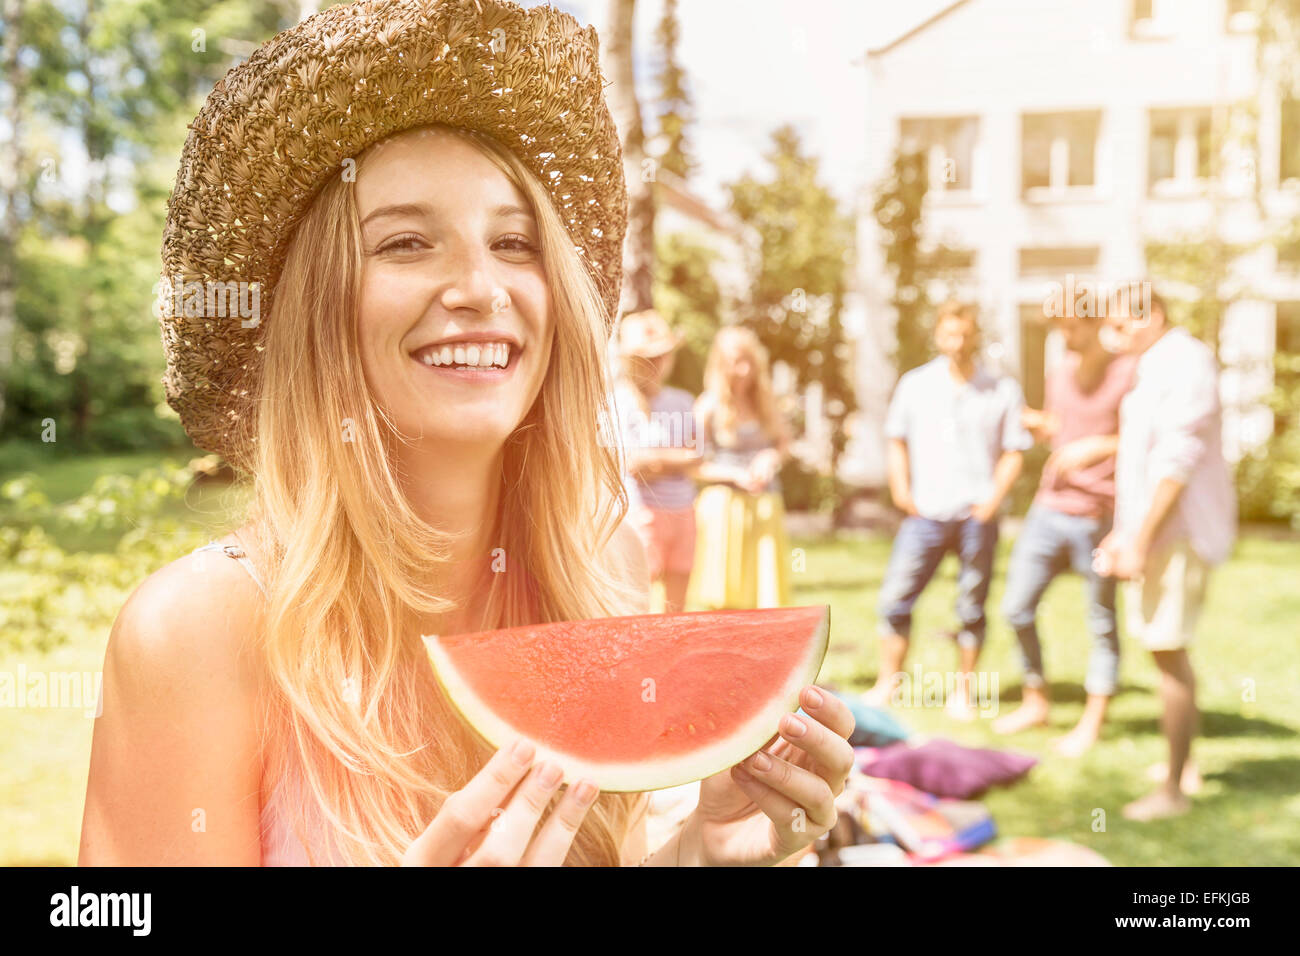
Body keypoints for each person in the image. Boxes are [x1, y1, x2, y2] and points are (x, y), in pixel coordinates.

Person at [78, 0, 853, 867]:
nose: (481, 286)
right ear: (317, 312)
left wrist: (700, 855)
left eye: (515, 242)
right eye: (407, 242)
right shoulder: (195, 634)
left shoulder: (605, 575)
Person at [1095, 286, 1236, 821]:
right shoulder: (1155, 366)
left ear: (1150, 314)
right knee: (1163, 649)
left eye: (1122, 326)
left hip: (1177, 534)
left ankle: (1174, 790)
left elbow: (1176, 462)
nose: (1115, 337)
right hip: (1155, 532)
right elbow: (1140, 465)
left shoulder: (1186, 361)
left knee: (1168, 651)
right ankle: (1185, 766)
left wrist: (1140, 538)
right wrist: (1123, 532)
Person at [864, 301, 1032, 720]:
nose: (957, 343)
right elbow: (896, 439)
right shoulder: (915, 385)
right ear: (938, 335)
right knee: (895, 599)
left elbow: (1015, 450)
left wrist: (994, 498)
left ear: (976, 336)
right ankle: (889, 682)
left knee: (971, 607)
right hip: (925, 514)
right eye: (949, 334)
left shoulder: (1002, 390)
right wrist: (902, 489)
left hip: (977, 515)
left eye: (965, 334)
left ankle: (964, 692)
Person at [993, 294, 1137, 755]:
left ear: (1095, 324)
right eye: (1059, 328)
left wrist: (1098, 446)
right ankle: (1036, 701)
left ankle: (1092, 722)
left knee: (1100, 620)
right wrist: (1042, 424)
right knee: (1016, 607)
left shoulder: (1128, 373)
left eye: (1072, 327)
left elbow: (1142, 434)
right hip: (1049, 508)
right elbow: (1064, 425)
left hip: (1099, 515)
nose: (1064, 336)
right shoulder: (1059, 374)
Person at [692, 326, 793, 610]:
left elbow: (783, 442)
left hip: (764, 504)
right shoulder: (707, 406)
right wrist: (734, 475)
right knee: (723, 595)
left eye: (749, 361)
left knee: (766, 593)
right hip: (724, 507)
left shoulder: (765, 401)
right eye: (736, 362)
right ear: (721, 365)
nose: (744, 370)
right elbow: (694, 467)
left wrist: (771, 457)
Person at [612, 310, 701, 614]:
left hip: (683, 510)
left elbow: (698, 455)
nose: (656, 364)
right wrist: (679, 458)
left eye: (662, 355)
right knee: (639, 599)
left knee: (676, 605)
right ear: (631, 361)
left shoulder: (683, 401)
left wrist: (661, 460)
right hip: (642, 511)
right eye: (648, 357)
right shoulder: (620, 401)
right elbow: (633, 462)